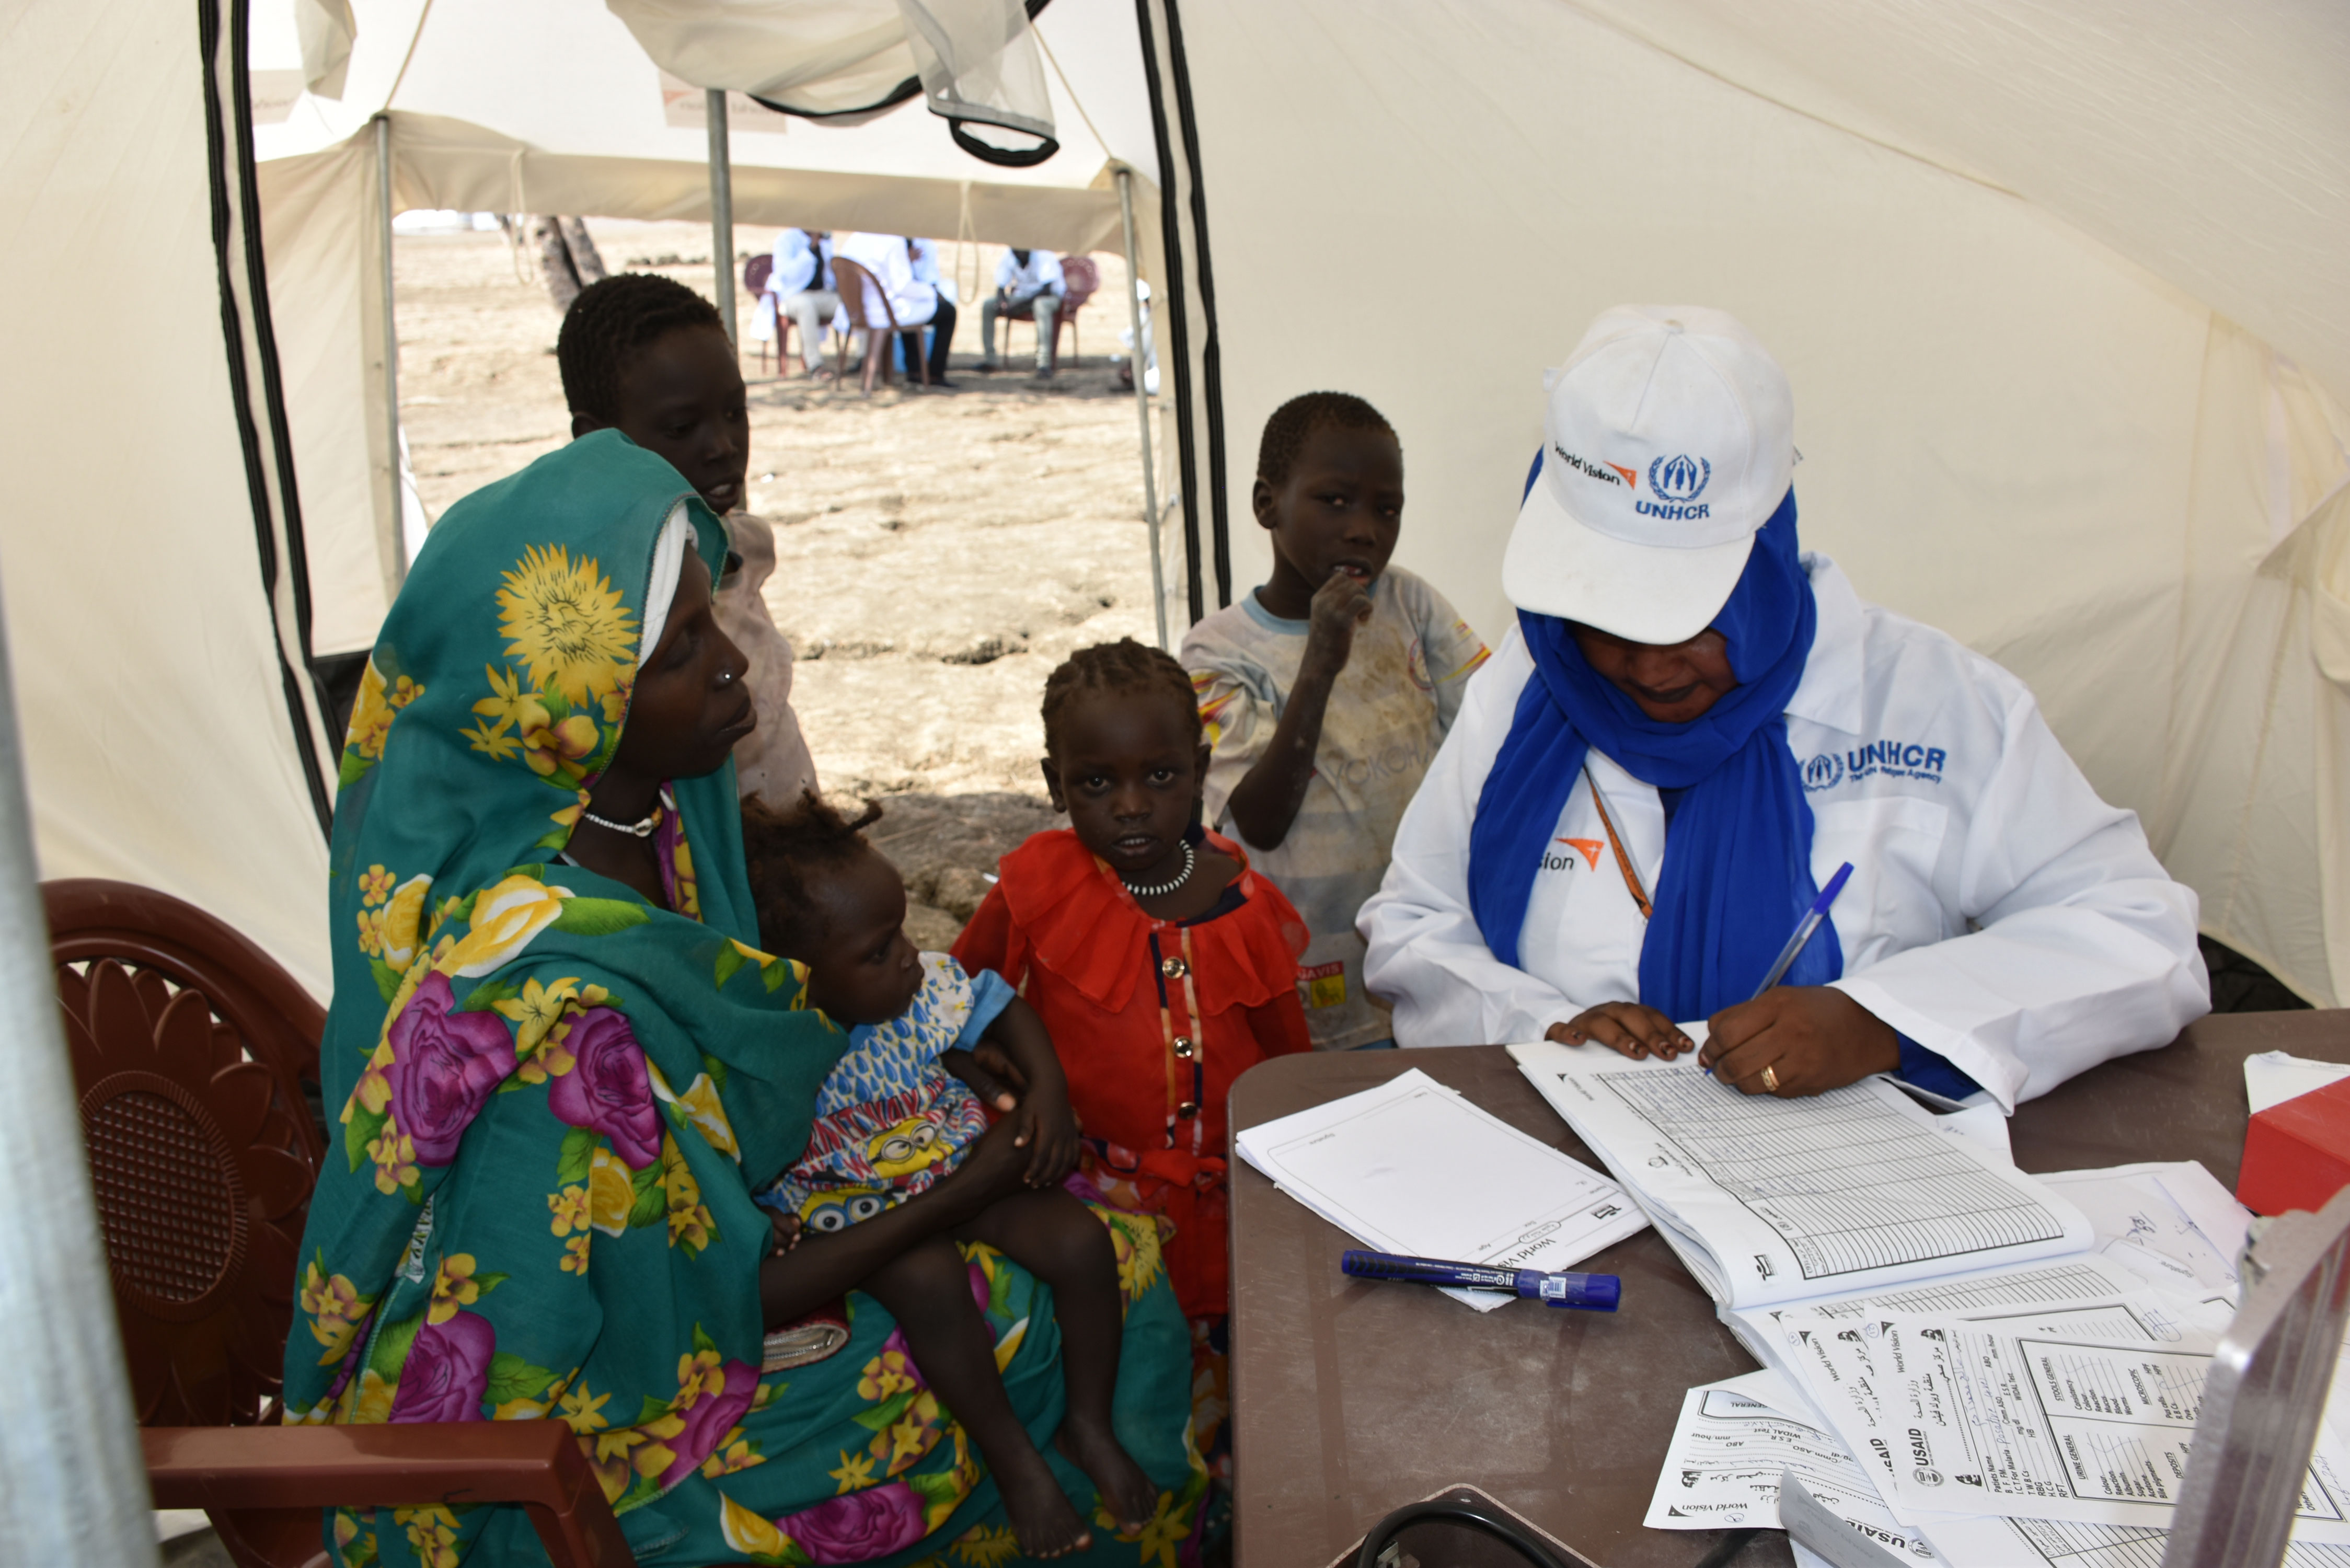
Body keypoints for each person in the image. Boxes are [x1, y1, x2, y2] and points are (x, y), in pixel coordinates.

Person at [285, 436, 1212, 1567]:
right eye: (681, 647)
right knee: (1061, 1293)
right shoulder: (542, 1004)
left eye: (710, 622)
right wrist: (953, 1188)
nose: (734, 667)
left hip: (769, 1252)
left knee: (1105, 1253)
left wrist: (932, 1067)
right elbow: (603, 1332)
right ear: (564, 711)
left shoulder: (669, 832)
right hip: (611, 1418)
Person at [1359, 306, 2209, 1109]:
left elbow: (2141, 932)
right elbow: (1414, 923)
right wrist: (1531, 1025)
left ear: (1767, 557)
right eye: (1606, 617)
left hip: (1857, 1200)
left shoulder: (1924, 701)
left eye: (1696, 617)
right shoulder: (1522, 691)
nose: (1650, 666)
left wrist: (1888, 1021)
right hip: (1572, 1181)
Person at [741, 790, 1159, 1554]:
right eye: (876, 951)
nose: (907, 954)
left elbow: (1000, 1010)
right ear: (789, 972)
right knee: (931, 1283)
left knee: (1080, 1243)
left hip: (961, 1167)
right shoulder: (768, 1054)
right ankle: (1015, 1464)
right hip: (853, 1216)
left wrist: (1050, 1094)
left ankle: (1087, 1424)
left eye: (899, 930)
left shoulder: (918, 992)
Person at [952, 639, 1314, 1487]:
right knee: (1132, 1390)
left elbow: (1288, 1067)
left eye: (1159, 778)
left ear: (1198, 769)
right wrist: (1019, 1102)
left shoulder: (1246, 905)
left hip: (1232, 1215)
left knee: (1240, 1394)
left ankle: (1231, 1515)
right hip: (1098, 1215)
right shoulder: (1035, 892)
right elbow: (956, 1021)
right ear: (1054, 783)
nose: (1130, 808)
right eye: (1095, 783)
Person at [1182, 393, 1489, 1049]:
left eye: (1386, 509)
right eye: (1335, 501)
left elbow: (1491, 723)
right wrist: (1319, 661)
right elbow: (1260, 821)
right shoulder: (1215, 652)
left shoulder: (1409, 602)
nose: (1363, 529)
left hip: (1428, 947)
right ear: (1268, 505)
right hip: (1310, 970)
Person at [559, 272, 815, 809]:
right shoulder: (606, 604)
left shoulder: (733, 544)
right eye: (681, 428)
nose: (723, 446)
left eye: (733, 413)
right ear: (595, 439)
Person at [830, 232, 957, 388]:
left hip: (854, 311)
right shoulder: (894, 242)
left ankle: (915, 370)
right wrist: (933, 293)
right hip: (883, 312)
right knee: (947, 312)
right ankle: (933, 373)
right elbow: (903, 286)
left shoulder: (854, 239)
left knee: (914, 307)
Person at [758, 227, 837, 378]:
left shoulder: (826, 241)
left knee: (852, 304)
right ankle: (815, 365)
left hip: (821, 294)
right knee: (806, 306)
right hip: (792, 295)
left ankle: (863, 358)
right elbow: (787, 275)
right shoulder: (787, 240)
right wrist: (809, 250)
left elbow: (830, 274)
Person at [979, 247, 1067, 377]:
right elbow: (1001, 286)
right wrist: (1003, 302)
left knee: (1041, 305)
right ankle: (990, 360)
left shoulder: (1044, 255)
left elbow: (1047, 290)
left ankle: (1044, 364)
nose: (1019, 253)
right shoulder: (1009, 254)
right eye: (1016, 250)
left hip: (1049, 297)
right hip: (1023, 296)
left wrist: (1017, 305)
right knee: (988, 305)